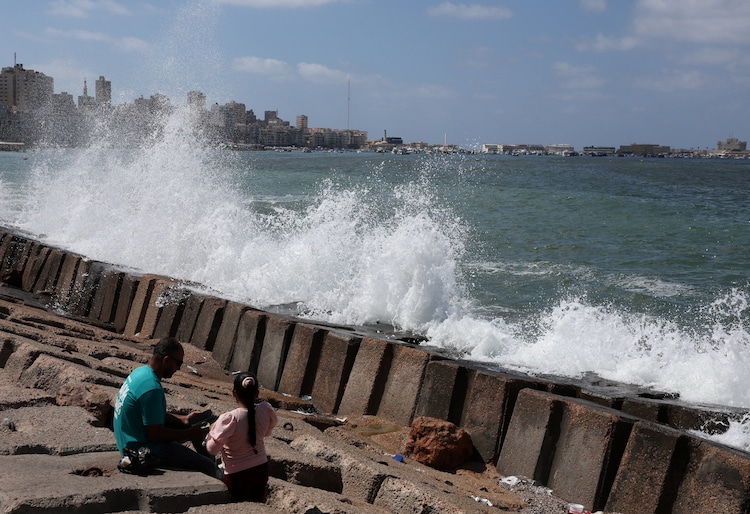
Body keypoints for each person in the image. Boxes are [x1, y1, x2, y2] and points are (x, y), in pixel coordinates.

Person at [113, 337, 220, 478]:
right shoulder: (152, 389)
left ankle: (207, 455)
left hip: (130, 439)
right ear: (166, 361)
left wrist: (183, 420)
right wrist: (190, 433)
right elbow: (156, 435)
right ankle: (218, 475)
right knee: (207, 466)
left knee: (193, 424)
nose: (179, 368)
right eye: (178, 363)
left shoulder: (141, 373)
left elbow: (150, 414)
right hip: (141, 450)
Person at [205, 372, 278, 502]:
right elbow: (266, 433)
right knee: (256, 503)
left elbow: (212, 450)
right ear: (257, 393)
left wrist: (212, 432)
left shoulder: (230, 418)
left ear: (234, 393)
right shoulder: (265, 410)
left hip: (237, 474)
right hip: (261, 468)